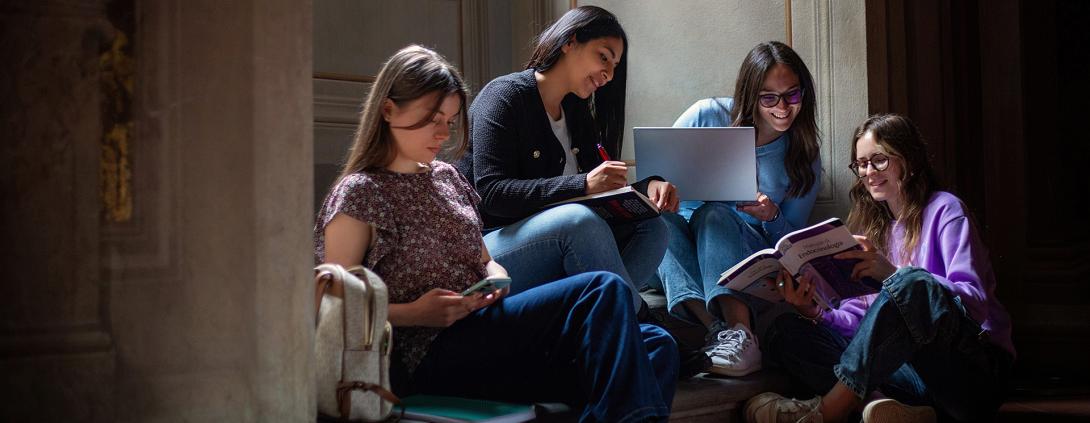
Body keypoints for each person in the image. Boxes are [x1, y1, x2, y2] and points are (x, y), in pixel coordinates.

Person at [315, 45, 676, 422]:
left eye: (451, 121)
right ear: (389, 110)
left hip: (486, 331)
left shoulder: (447, 177)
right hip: (421, 354)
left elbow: (485, 259)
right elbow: (337, 309)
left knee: (656, 345)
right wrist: (415, 313)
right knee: (605, 289)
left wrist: (495, 277)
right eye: (432, 118)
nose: (443, 133)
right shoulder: (362, 192)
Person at [745, 114, 1015, 423]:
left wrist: (892, 275)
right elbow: (864, 325)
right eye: (861, 164)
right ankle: (886, 410)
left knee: (913, 284)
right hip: (913, 377)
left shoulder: (945, 209)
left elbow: (975, 302)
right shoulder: (873, 230)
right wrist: (814, 311)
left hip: (972, 375)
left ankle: (830, 410)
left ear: (908, 160)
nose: (869, 172)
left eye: (879, 161)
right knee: (787, 331)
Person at [455, 6, 679, 312]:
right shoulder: (505, 96)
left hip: (560, 236)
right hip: (488, 249)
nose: (609, 75)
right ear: (570, 41)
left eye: (614, 66)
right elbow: (492, 195)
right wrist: (584, 183)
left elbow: (596, 193)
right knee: (579, 222)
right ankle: (639, 322)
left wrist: (648, 187)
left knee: (654, 227)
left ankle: (600, 321)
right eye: (603, 57)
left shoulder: (577, 113)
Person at [648, 41, 823, 376]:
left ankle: (736, 333)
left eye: (792, 95)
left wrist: (771, 216)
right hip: (679, 258)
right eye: (769, 97)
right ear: (750, 94)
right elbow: (654, 178)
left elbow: (794, 246)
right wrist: (662, 190)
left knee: (714, 214)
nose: (782, 107)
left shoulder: (803, 155)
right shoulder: (708, 114)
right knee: (659, 221)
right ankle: (728, 331)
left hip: (744, 261)